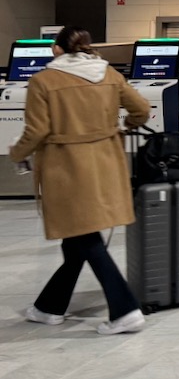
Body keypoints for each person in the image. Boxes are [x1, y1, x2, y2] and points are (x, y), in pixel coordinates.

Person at [8, 27, 151, 335]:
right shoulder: (109, 74)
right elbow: (141, 109)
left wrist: (16, 153)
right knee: (77, 237)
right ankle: (50, 307)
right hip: (106, 163)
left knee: (84, 236)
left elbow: (37, 131)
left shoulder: (44, 81)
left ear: (58, 50)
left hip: (67, 168)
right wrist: (125, 125)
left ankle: (125, 310)